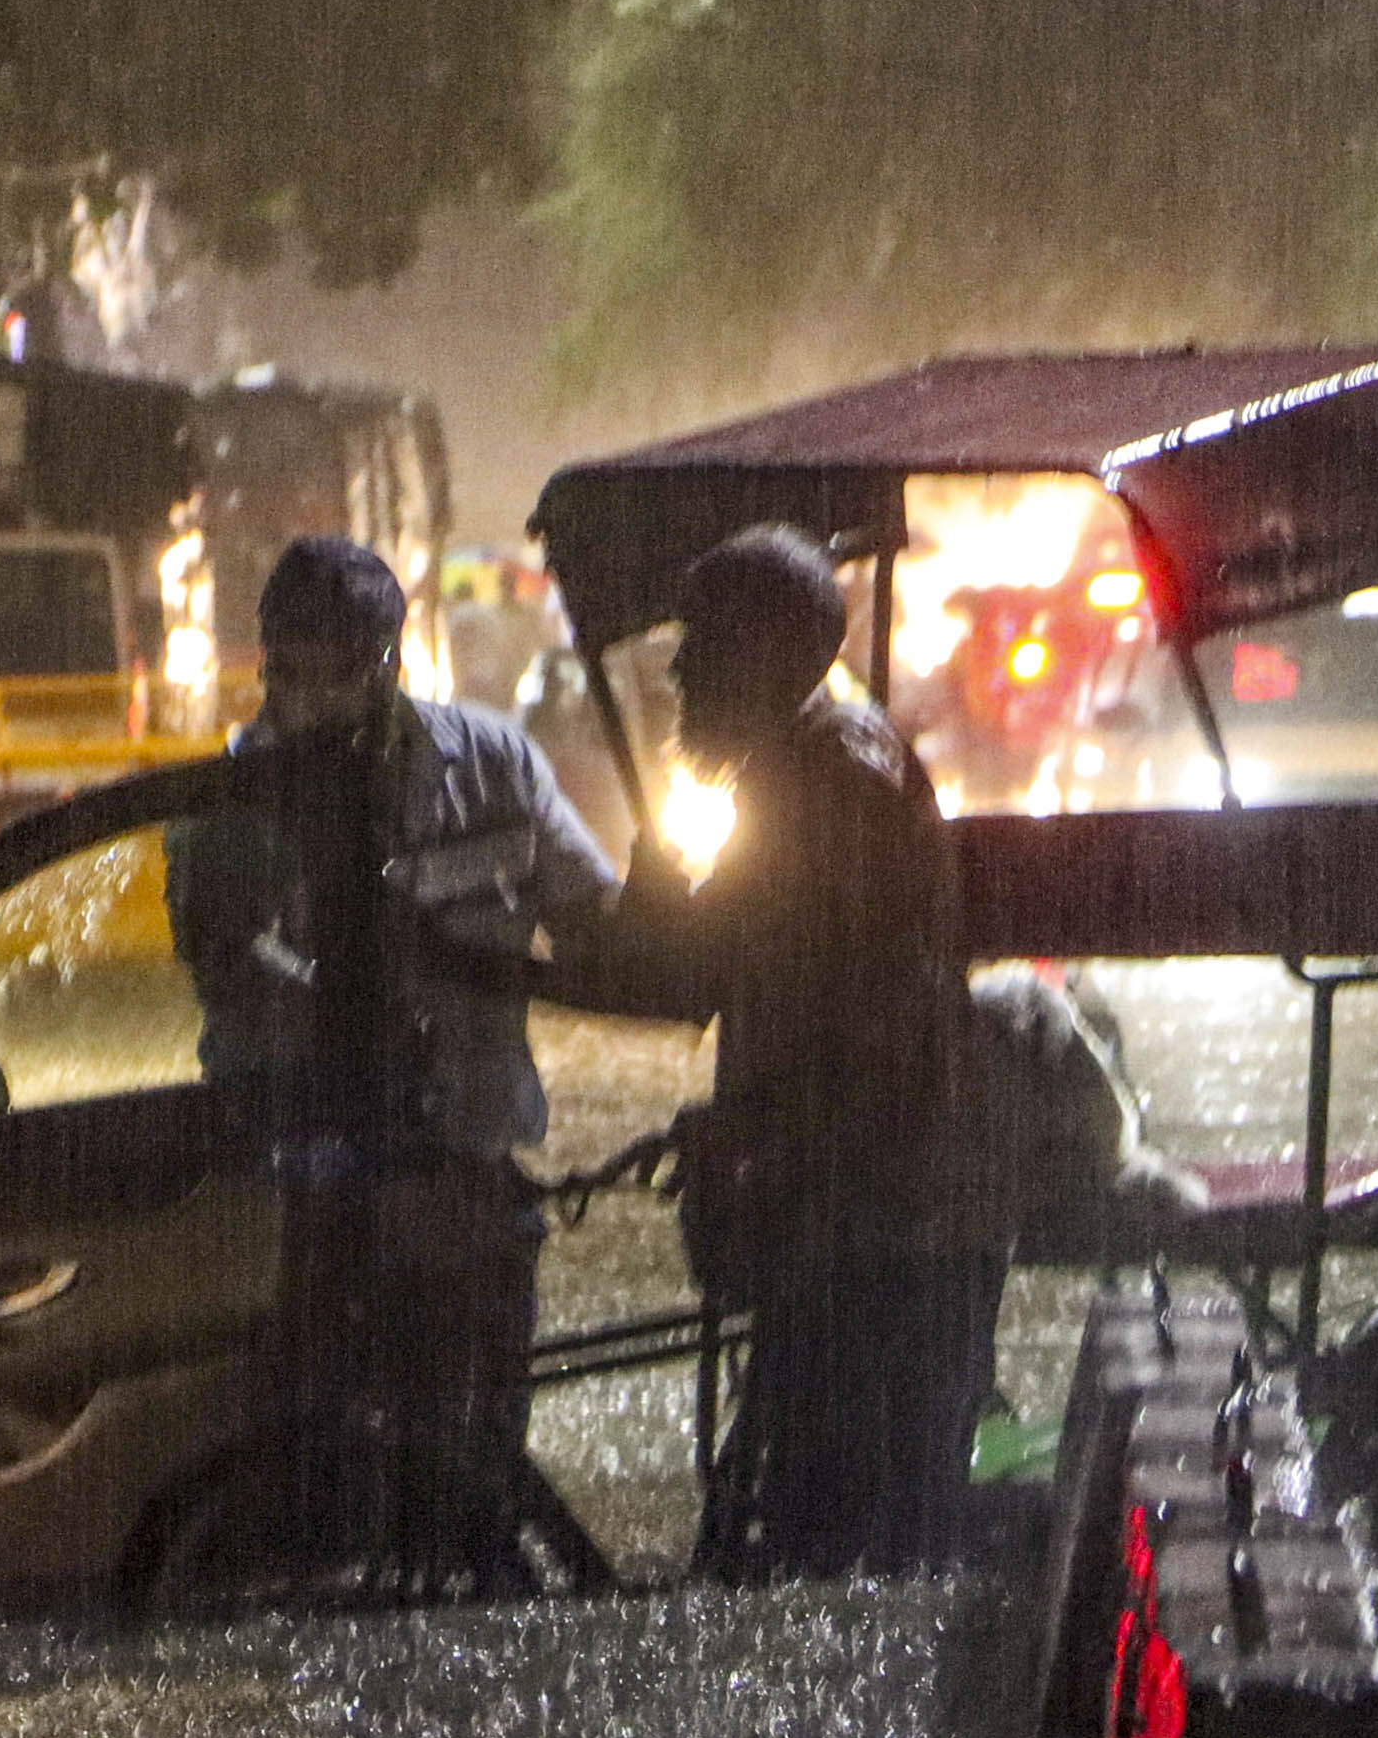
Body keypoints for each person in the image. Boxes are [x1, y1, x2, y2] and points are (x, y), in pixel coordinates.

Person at [168, 535, 617, 1581]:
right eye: (290, 672)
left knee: (471, 1488)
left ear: (391, 661)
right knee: (315, 1498)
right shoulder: (225, 811)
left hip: (466, 1177)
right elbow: (231, 986)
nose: (312, 699)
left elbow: (596, 922)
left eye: (340, 670)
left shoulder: (494, 767)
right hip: (303, 1200)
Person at [590, 525, 1003, 1578]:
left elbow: (862, 1034)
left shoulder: (826, 788)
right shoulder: (797, 773)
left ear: (774, 653)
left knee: (834, 1552)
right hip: (838, 1202)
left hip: (877, 1227)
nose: (679, 670)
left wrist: (745, 1129)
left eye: (703, 645)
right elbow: (700, 972)